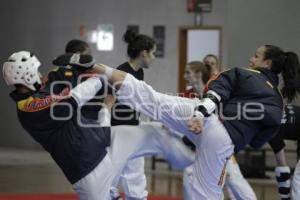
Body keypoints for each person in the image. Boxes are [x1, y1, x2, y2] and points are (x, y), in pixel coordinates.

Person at [66, 44, 300, 199]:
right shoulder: (277, 102)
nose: (251, 58)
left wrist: (200, 114)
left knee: (151, 99)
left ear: (267, 63)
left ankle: (98, 67)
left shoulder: (245, 73)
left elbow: (216, 92)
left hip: (204, 116)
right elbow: (262, 139)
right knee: (205, 194)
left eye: (256, 56)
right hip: (223, 139)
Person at [2, 51, 195, 200]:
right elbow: (73, 99)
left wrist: (78, 68)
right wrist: (97, 77)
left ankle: (193, 159)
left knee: (152, 133)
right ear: (26, 75)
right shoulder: (29, 107)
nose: (39, 74)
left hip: (102, 142)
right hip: (88, 171)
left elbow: (60, 81)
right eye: (35, 71)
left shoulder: (40, 92)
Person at [182, 60, 257, 200]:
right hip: (200, 149)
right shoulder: (187, 95)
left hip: (222, 144)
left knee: (235, 181)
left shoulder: (214, 92)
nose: (184, 76)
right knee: (191, 177)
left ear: (198, 74)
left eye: (188, 72)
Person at [109, 29, 156, 200]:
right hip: (118, 129)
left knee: (135, 169)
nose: (154, 57)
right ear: (144, 53)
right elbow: (108, 102)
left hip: (132, 127)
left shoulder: (139, 73)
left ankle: (136, 197)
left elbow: (137, 99)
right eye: (153, 53)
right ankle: (110, 195)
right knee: (113, 170)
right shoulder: (121, 72)